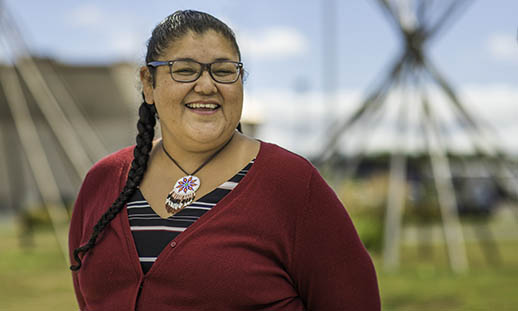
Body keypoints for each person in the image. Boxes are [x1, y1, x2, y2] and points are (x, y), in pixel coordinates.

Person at [68, 10, 380, 311]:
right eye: (185, 69)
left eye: (224, 70)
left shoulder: (292, 184)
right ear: (148, 83)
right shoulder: (103, 181)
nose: (206, 85)